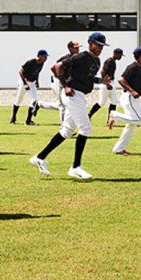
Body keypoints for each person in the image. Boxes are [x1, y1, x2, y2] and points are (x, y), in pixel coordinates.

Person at [29, 31, 104, 180]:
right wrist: (65, 85)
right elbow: (56, 67)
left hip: (81, 96)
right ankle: (76, 167)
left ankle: (39, 157)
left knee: (67, 130)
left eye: (102, 45)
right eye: (97, 45)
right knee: (85, 128)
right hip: (72, 94)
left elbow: (87, 78)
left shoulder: (97, 61)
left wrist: (102, 81)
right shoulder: (81, 56)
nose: (100, 48)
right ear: (90, 44)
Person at [111, 47, 141, 154]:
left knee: (131, 126)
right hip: (129, 97)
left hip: (134, 98)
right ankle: (115, 115)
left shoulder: (140, 68)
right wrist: (132, 91)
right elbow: (121, 80)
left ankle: (118, 149)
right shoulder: (132, 67)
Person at [12, 50, 47, 125]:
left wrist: (37, 81)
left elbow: (37, 73)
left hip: (32, 83)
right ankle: (13, 118)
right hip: (24, 81)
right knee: (19, 100)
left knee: (34, 100)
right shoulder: (31, 62)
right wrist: (25, 84)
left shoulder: (42, 63)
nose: (46, 58)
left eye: (46, 56)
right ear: (39, 56)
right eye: (44, 56)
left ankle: (28, 121)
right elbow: (21, 71)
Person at [91, 46, 119, 128]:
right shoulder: (109, 61)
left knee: (114, 101)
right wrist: (106, 83)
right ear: (115, 54)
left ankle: (110, 120)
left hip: (111, 82)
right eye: (119, 55)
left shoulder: (113, 61)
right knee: (101, 103)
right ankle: (89, 115)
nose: (120, 57)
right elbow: (103, 71)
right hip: (106, 83)